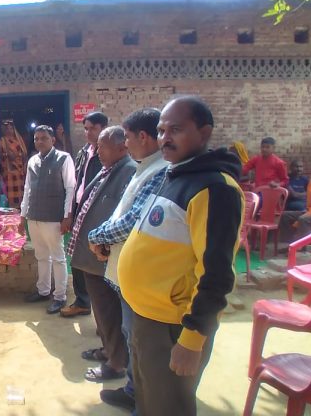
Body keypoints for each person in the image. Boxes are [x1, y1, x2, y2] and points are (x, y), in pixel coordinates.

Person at [119, 96, 243, 416]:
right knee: (149, 400)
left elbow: (216, 274)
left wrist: (192, 339)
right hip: (147, 317)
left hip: (173, 327)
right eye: (161, 130)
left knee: (169, 406)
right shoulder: (176, 175)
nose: (165, 138)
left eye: (176, 129)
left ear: (204, 133)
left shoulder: (216, 189)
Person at [86, 109, 168, 412]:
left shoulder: (158, 170)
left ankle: (142, 398)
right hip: (124, 269)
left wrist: (98, 235)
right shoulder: (143, 167)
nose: (125, 143)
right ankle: (133, 390)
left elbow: (134, 219)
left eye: (128, 138)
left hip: (142, 274)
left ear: (141, 138)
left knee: (140, 341)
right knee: (130, 335)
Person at [66, 126, 136, 383]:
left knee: (109, 311)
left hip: (103, 257)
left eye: (103, 146)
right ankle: (108, 350)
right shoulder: (110, 169)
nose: (98, 151)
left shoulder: (128, 171)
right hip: (92, 256)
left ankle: (117, 363)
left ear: (121, 147)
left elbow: (120, 215)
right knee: (101, 310)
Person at [20, 125, 76, 314]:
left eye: (43, 138)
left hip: (53, 218)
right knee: (41, 256)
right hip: (34, 217)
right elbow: (27, 189)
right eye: (36, 138)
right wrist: (23, 215)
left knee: (58, 258)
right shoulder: (32, 161)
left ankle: (60, 297)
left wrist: (67, 216)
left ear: (52, 140)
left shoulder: (63, 158)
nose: (39, 142)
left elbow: (70, 188)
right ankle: (43, 291)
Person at [64, 111, 108, 317]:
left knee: (98, 260)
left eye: (93, 128)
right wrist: (71, 210)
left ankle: (103, 312)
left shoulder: (109, 153)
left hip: (98, 213)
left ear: (103, 128)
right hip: (80, 210)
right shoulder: (84, 152)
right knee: (77, 258)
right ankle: (82, 301)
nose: (88, 132)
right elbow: (77, 183)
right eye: (86, 128)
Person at [280, 161, 311, 241]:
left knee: (304, 219)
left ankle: (303, 245)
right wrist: (308, 211)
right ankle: (290, 243)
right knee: (285, 215)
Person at [0, 119, 28, 207]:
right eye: (7, 129)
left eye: (11, 128)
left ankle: (20, 208)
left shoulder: (19, 140)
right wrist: (7, 155)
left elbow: (24, 153)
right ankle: (10, 207)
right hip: (8, 170)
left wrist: (17, 156)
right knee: (9, 190)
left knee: (20, 190)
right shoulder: (2, 140)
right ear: (4, 130)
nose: (9, 130)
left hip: (19, 170)